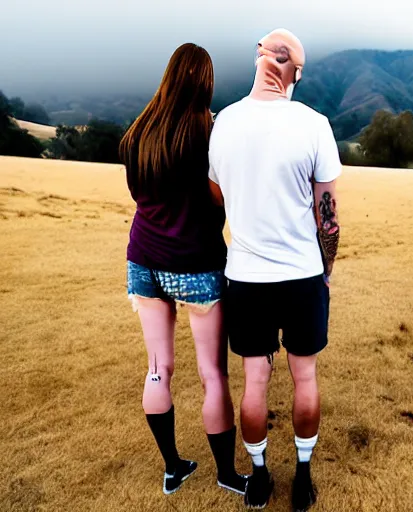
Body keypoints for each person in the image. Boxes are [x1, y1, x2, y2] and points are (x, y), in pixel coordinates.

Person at [208, 29, 341, 511]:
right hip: (303, 275)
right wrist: (325, 271)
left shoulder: (223, 124)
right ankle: (302, 476)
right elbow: (328, 214)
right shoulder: (314, 124)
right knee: (305, 378)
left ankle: (260, 476)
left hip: (245, 278)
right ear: (295, 73)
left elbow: (218, 196)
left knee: (254, 382)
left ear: (259, 60)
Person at [119, 43, 247, 497]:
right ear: (204, 82)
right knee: (213, 375)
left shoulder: (138, 132)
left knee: (158, 369)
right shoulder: (209, 133)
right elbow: (224, 195)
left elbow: (138, 195)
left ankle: (173, 467)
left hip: (143, 261)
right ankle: (228, 474)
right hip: (195, 263)